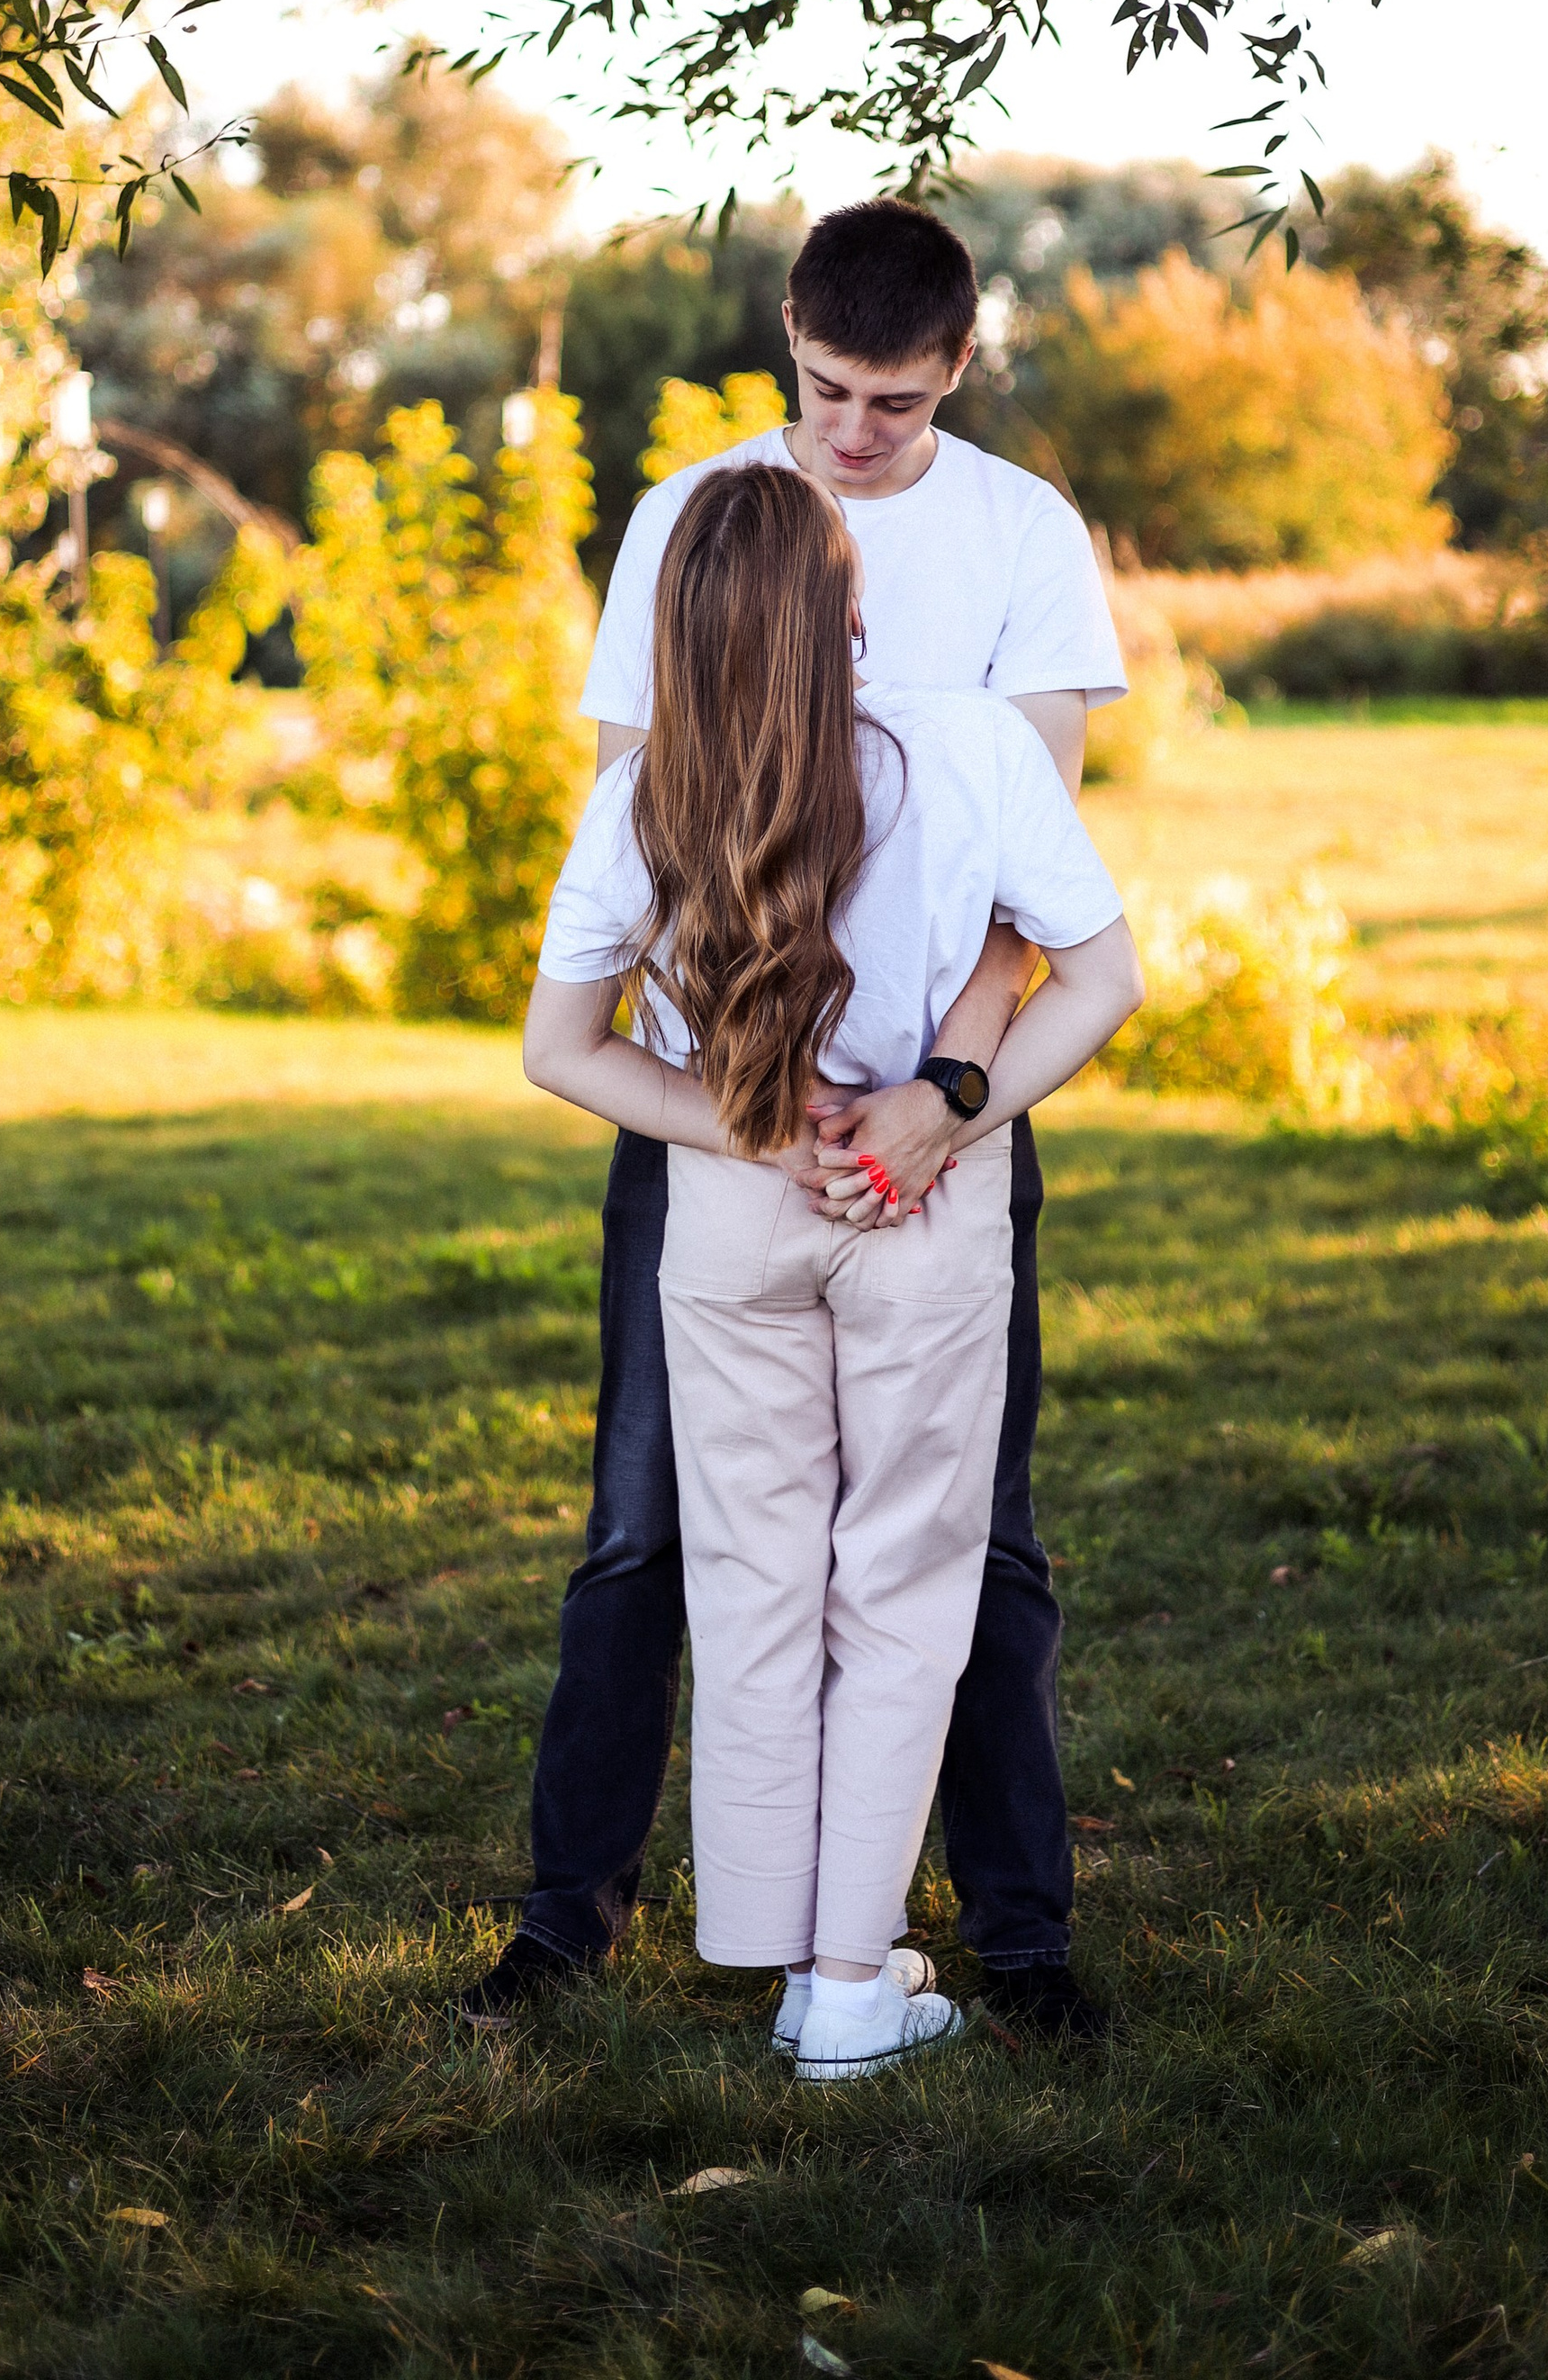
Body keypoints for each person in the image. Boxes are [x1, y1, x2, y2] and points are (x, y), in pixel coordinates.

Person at [463, 196, 1130, 2033]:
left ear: (957, 369)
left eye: (894, 403)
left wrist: (937, 1097)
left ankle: (1014, 1935)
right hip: (718, 1117)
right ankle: (585, 1919)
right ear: (785, 337)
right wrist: (751, 1106)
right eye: (827, 391)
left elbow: (1020, 887)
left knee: (976, 1539)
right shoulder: (692, 515)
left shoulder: (1021, 532)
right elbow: (661, 823)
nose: (851, 432)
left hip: (930, 1106)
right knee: (646, 1529)